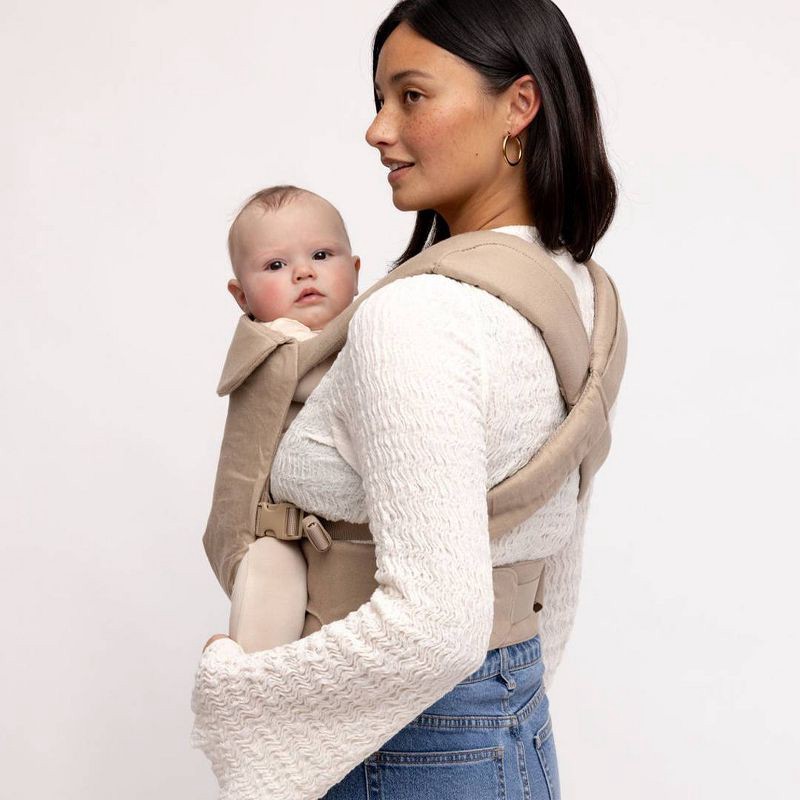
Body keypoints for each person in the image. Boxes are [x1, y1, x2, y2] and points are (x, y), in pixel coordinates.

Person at [191, 2, 622, 798]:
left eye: (411, 96)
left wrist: (239, 700)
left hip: (397, 745)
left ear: (519, 106)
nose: (377, 129)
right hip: (510, 729)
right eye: (378, 99)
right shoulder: (585, 294)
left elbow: (438, 625)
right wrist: (501, 709)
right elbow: (556, 550)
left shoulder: (417, 316)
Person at [221, 185, 361, 653]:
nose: (304, 272)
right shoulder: (275, 344)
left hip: (340, 541)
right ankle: (245, 684)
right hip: (271, 536)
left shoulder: (367, 329)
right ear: (242, 296)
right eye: (276, 265)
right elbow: (336, 389)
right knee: (267, 634)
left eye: (321, 255)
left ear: (356, 272)